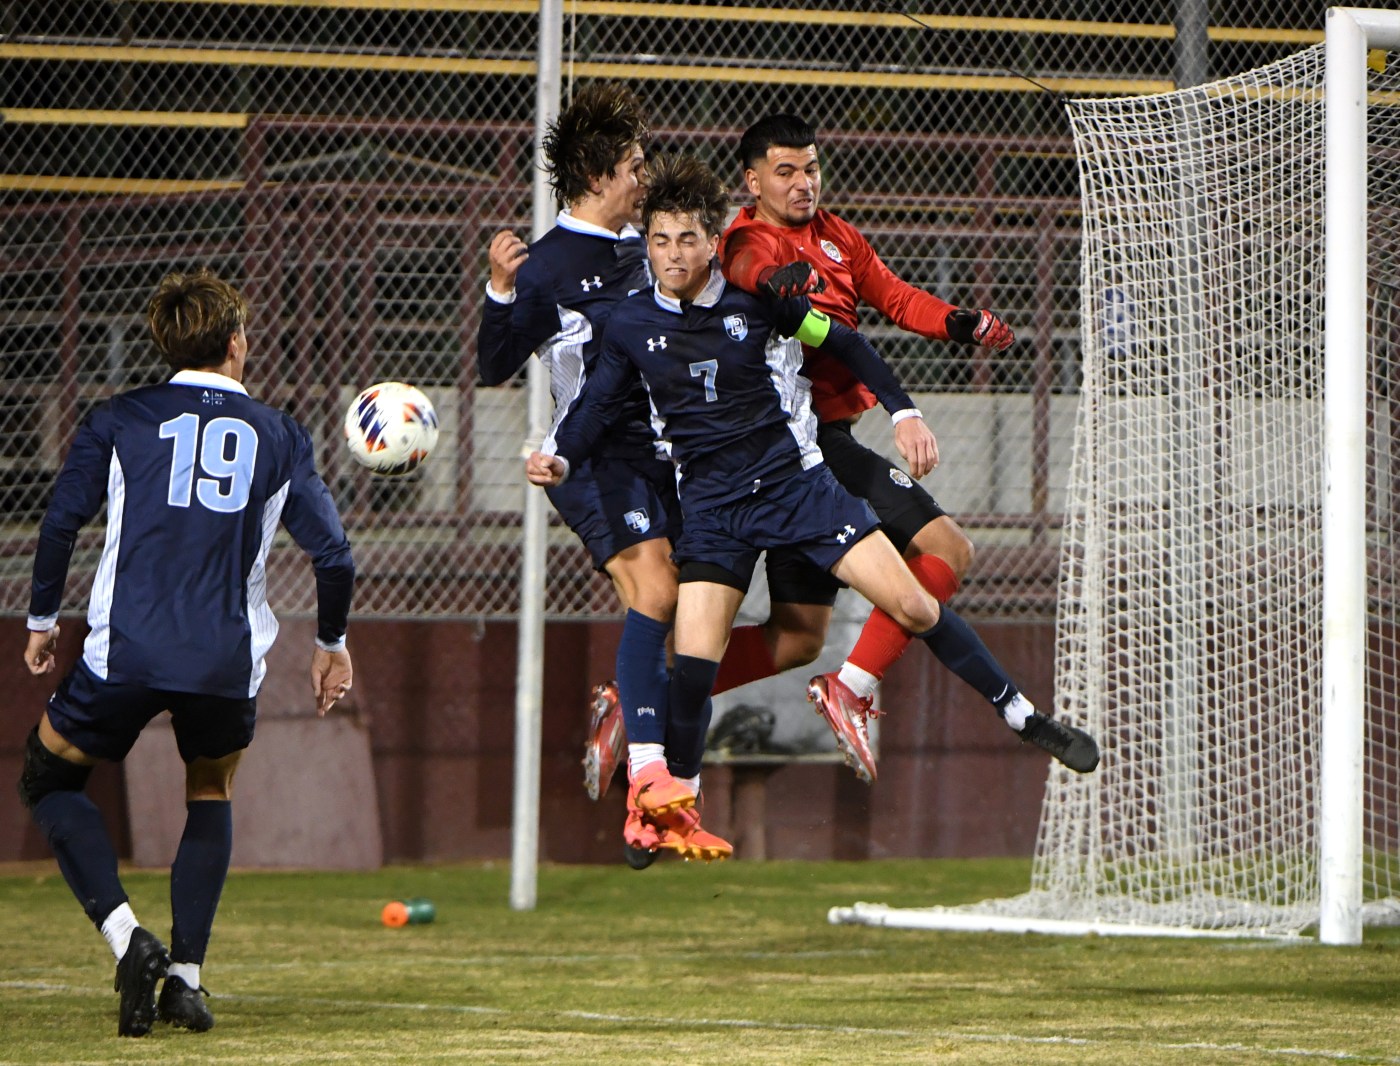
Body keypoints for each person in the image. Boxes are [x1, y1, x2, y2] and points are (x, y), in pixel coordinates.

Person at [527, 152, 947, 835]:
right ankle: (657, 776)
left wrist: (905, 397)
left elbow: (851, 331)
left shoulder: (753, 280)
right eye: (659, 238)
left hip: (793, 473)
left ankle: (651, 719)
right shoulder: (629, 302)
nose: (671, 250)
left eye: (686, 238)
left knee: (801, 639)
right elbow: (595, 396)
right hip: (713, 491)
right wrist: (560, 454)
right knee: (689, 639)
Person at [477, 85, 846, 862]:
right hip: (594, 458)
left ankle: (663, 797)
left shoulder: (648, 249)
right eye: (635, 165)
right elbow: (495, 363)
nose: (644, 176)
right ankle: (650, 777)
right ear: (599, 174)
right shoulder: (547, 265)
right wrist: (500, 292)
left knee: (697, 635)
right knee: (656, 590)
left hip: (672, 457)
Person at [18, 268, 355, 1037]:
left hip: (126, 652)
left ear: (165, 342)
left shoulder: (118, 418)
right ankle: (188, 980)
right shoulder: (281, 433)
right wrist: (331, 643)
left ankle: (127, 937)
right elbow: (333, 555)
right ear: (238, 341)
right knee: (209, 792)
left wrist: (43, 618)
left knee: (49, 780)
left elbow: (60, 523)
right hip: (222, 662)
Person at [719, 113, 1099, 781]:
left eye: (810, 167)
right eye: (785, 171)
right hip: (797, 448)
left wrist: (956, 321)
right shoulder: (750, 240)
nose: (804, 182)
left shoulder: (837, 236)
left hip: (812, 449)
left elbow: (893, 297)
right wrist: (769, 285)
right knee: (946, 548)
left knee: (796, 638)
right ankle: (859, 688)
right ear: (753, 181)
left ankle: (645, 701)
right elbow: (745, 264)